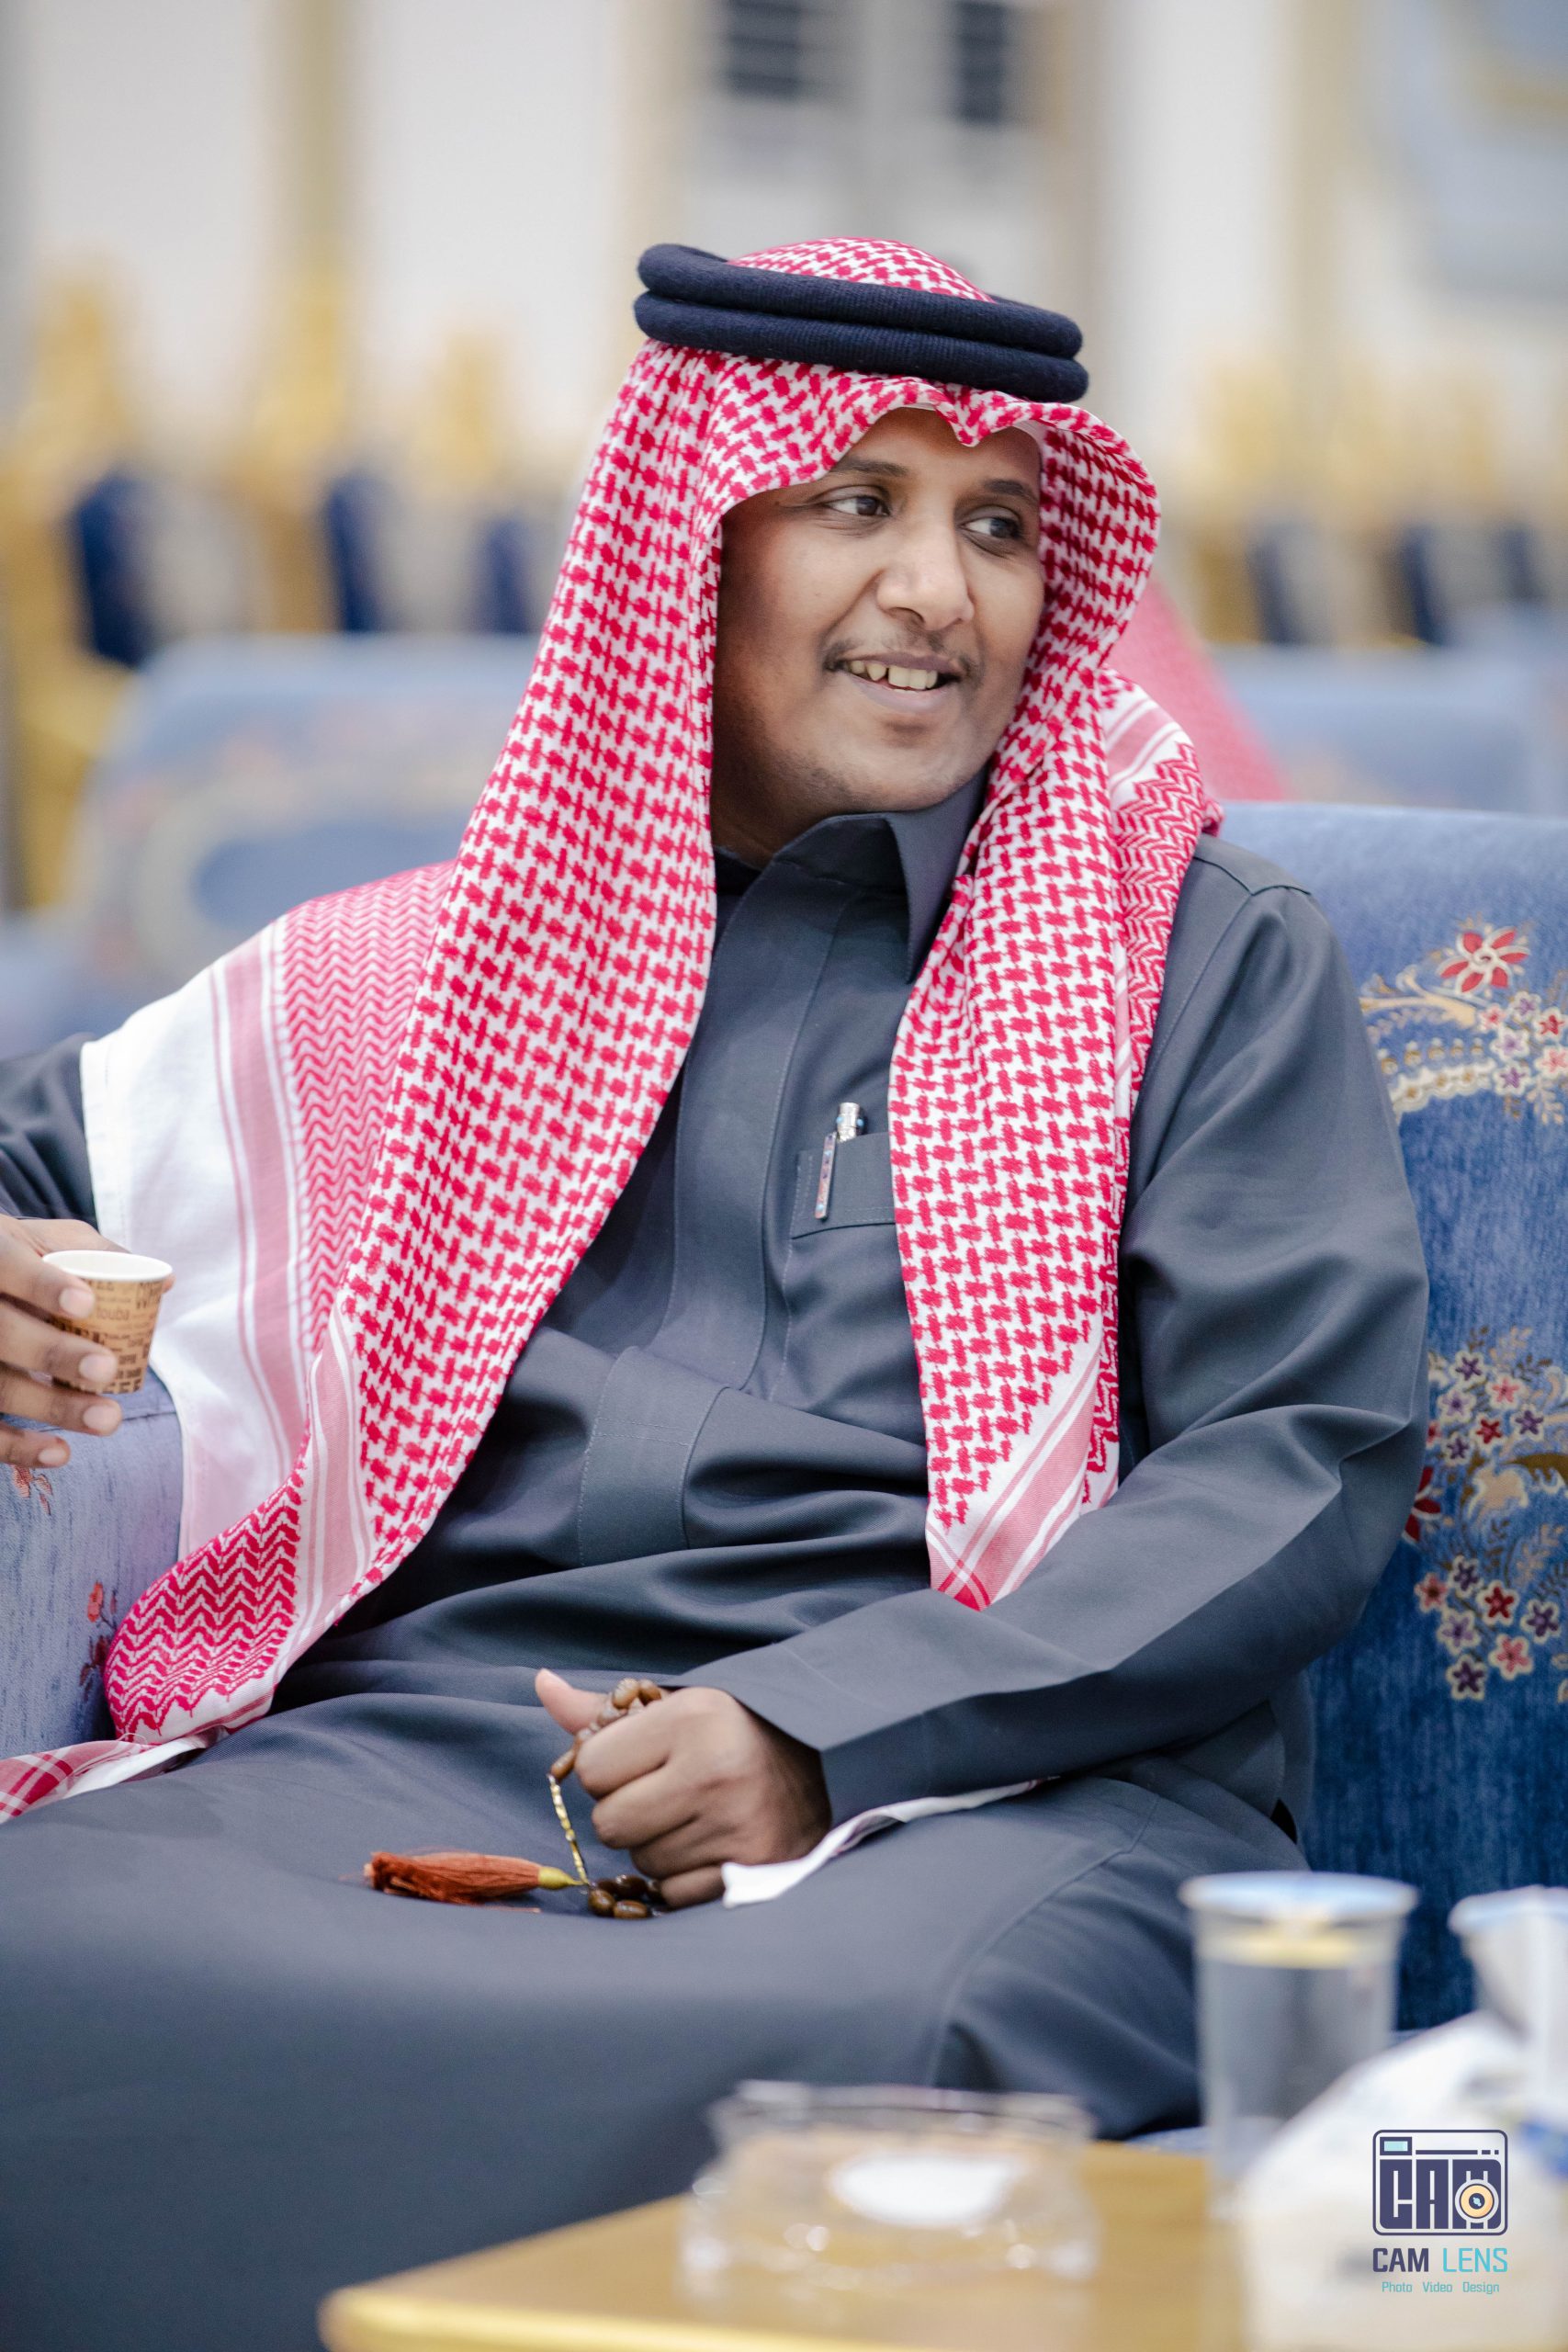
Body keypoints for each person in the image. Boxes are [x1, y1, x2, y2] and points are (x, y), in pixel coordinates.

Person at [0, 240, 1427, 2352]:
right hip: (426, 1741)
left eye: (997, 526)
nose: (938, 592)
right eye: (855, 503)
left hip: (983, 1784)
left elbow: (1295, 1451)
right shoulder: (445, 958)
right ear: (694, 544)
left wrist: (822, 1731)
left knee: (866, 2063)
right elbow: (47, 1160)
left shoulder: (1189, 955)